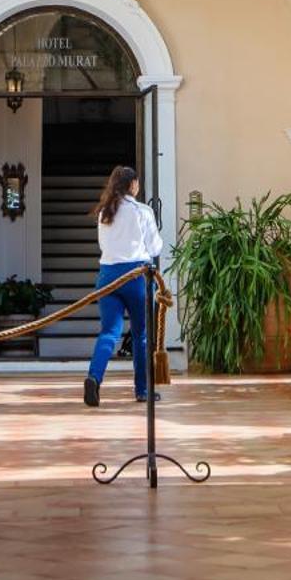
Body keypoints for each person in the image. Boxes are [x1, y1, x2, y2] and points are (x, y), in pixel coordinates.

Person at [84, 165, 162, 407]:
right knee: (140, 334)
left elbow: (103, 245)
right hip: (136, 275)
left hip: (108, 276)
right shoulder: (142, 211)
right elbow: (155, 247)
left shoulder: (104, 212)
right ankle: (142, 390)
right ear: (132, 185)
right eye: (136, 183)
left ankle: (94, 377)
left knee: (109, 332)